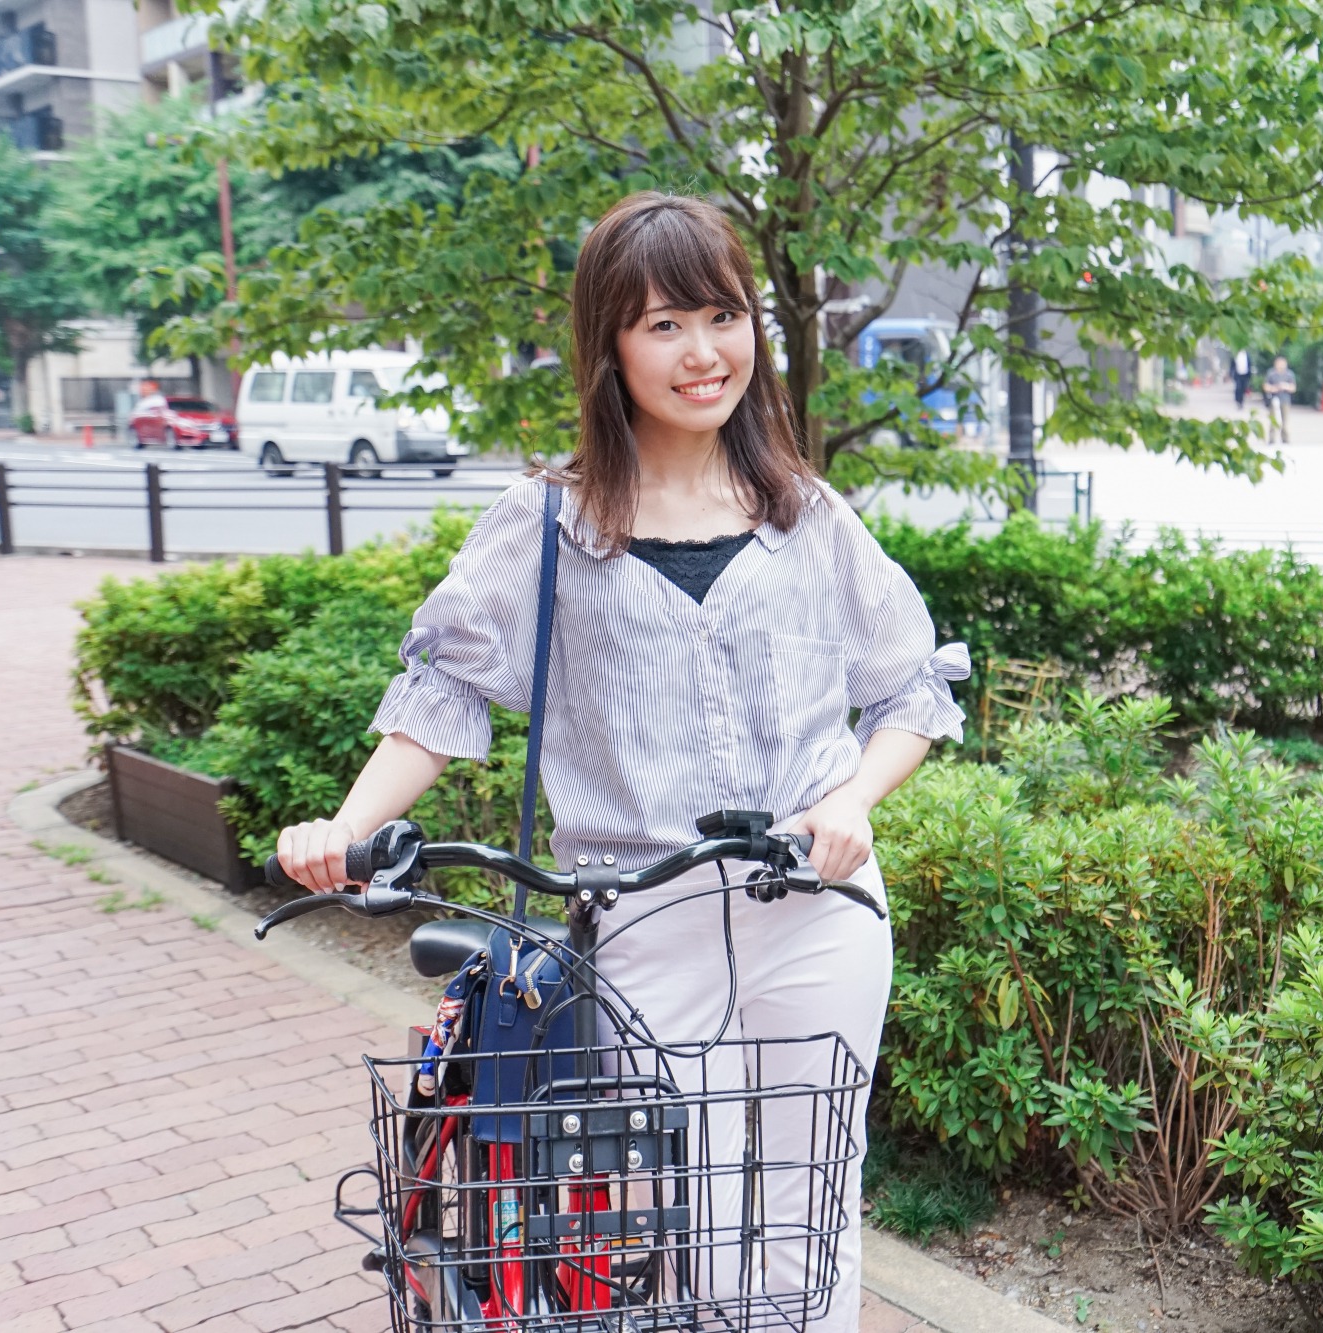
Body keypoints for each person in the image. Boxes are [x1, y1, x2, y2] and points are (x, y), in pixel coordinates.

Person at [273, 192, 968, 1330]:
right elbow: (443, 688)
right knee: (693, 1213)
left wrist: (850, 800)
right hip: (642, 922)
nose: (703, 353)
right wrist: (342, 832)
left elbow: (910, 685)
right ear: (608, 347)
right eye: (662, 326)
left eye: (721, 315)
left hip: (818, 905)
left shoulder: (804, 515)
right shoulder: (545, 522)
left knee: (809, 1203)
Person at [1262, 355, 1297, 443]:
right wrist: (1273, 388)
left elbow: (1293, 388)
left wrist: (1285, 386)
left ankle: (1285, 438)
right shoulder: (1271, 373)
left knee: (1285, 420)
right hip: (1273, 399)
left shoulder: (1289, 374)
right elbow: (1265, 386)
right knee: (1273, 419)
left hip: (1285, 399)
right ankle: (1271, 438)